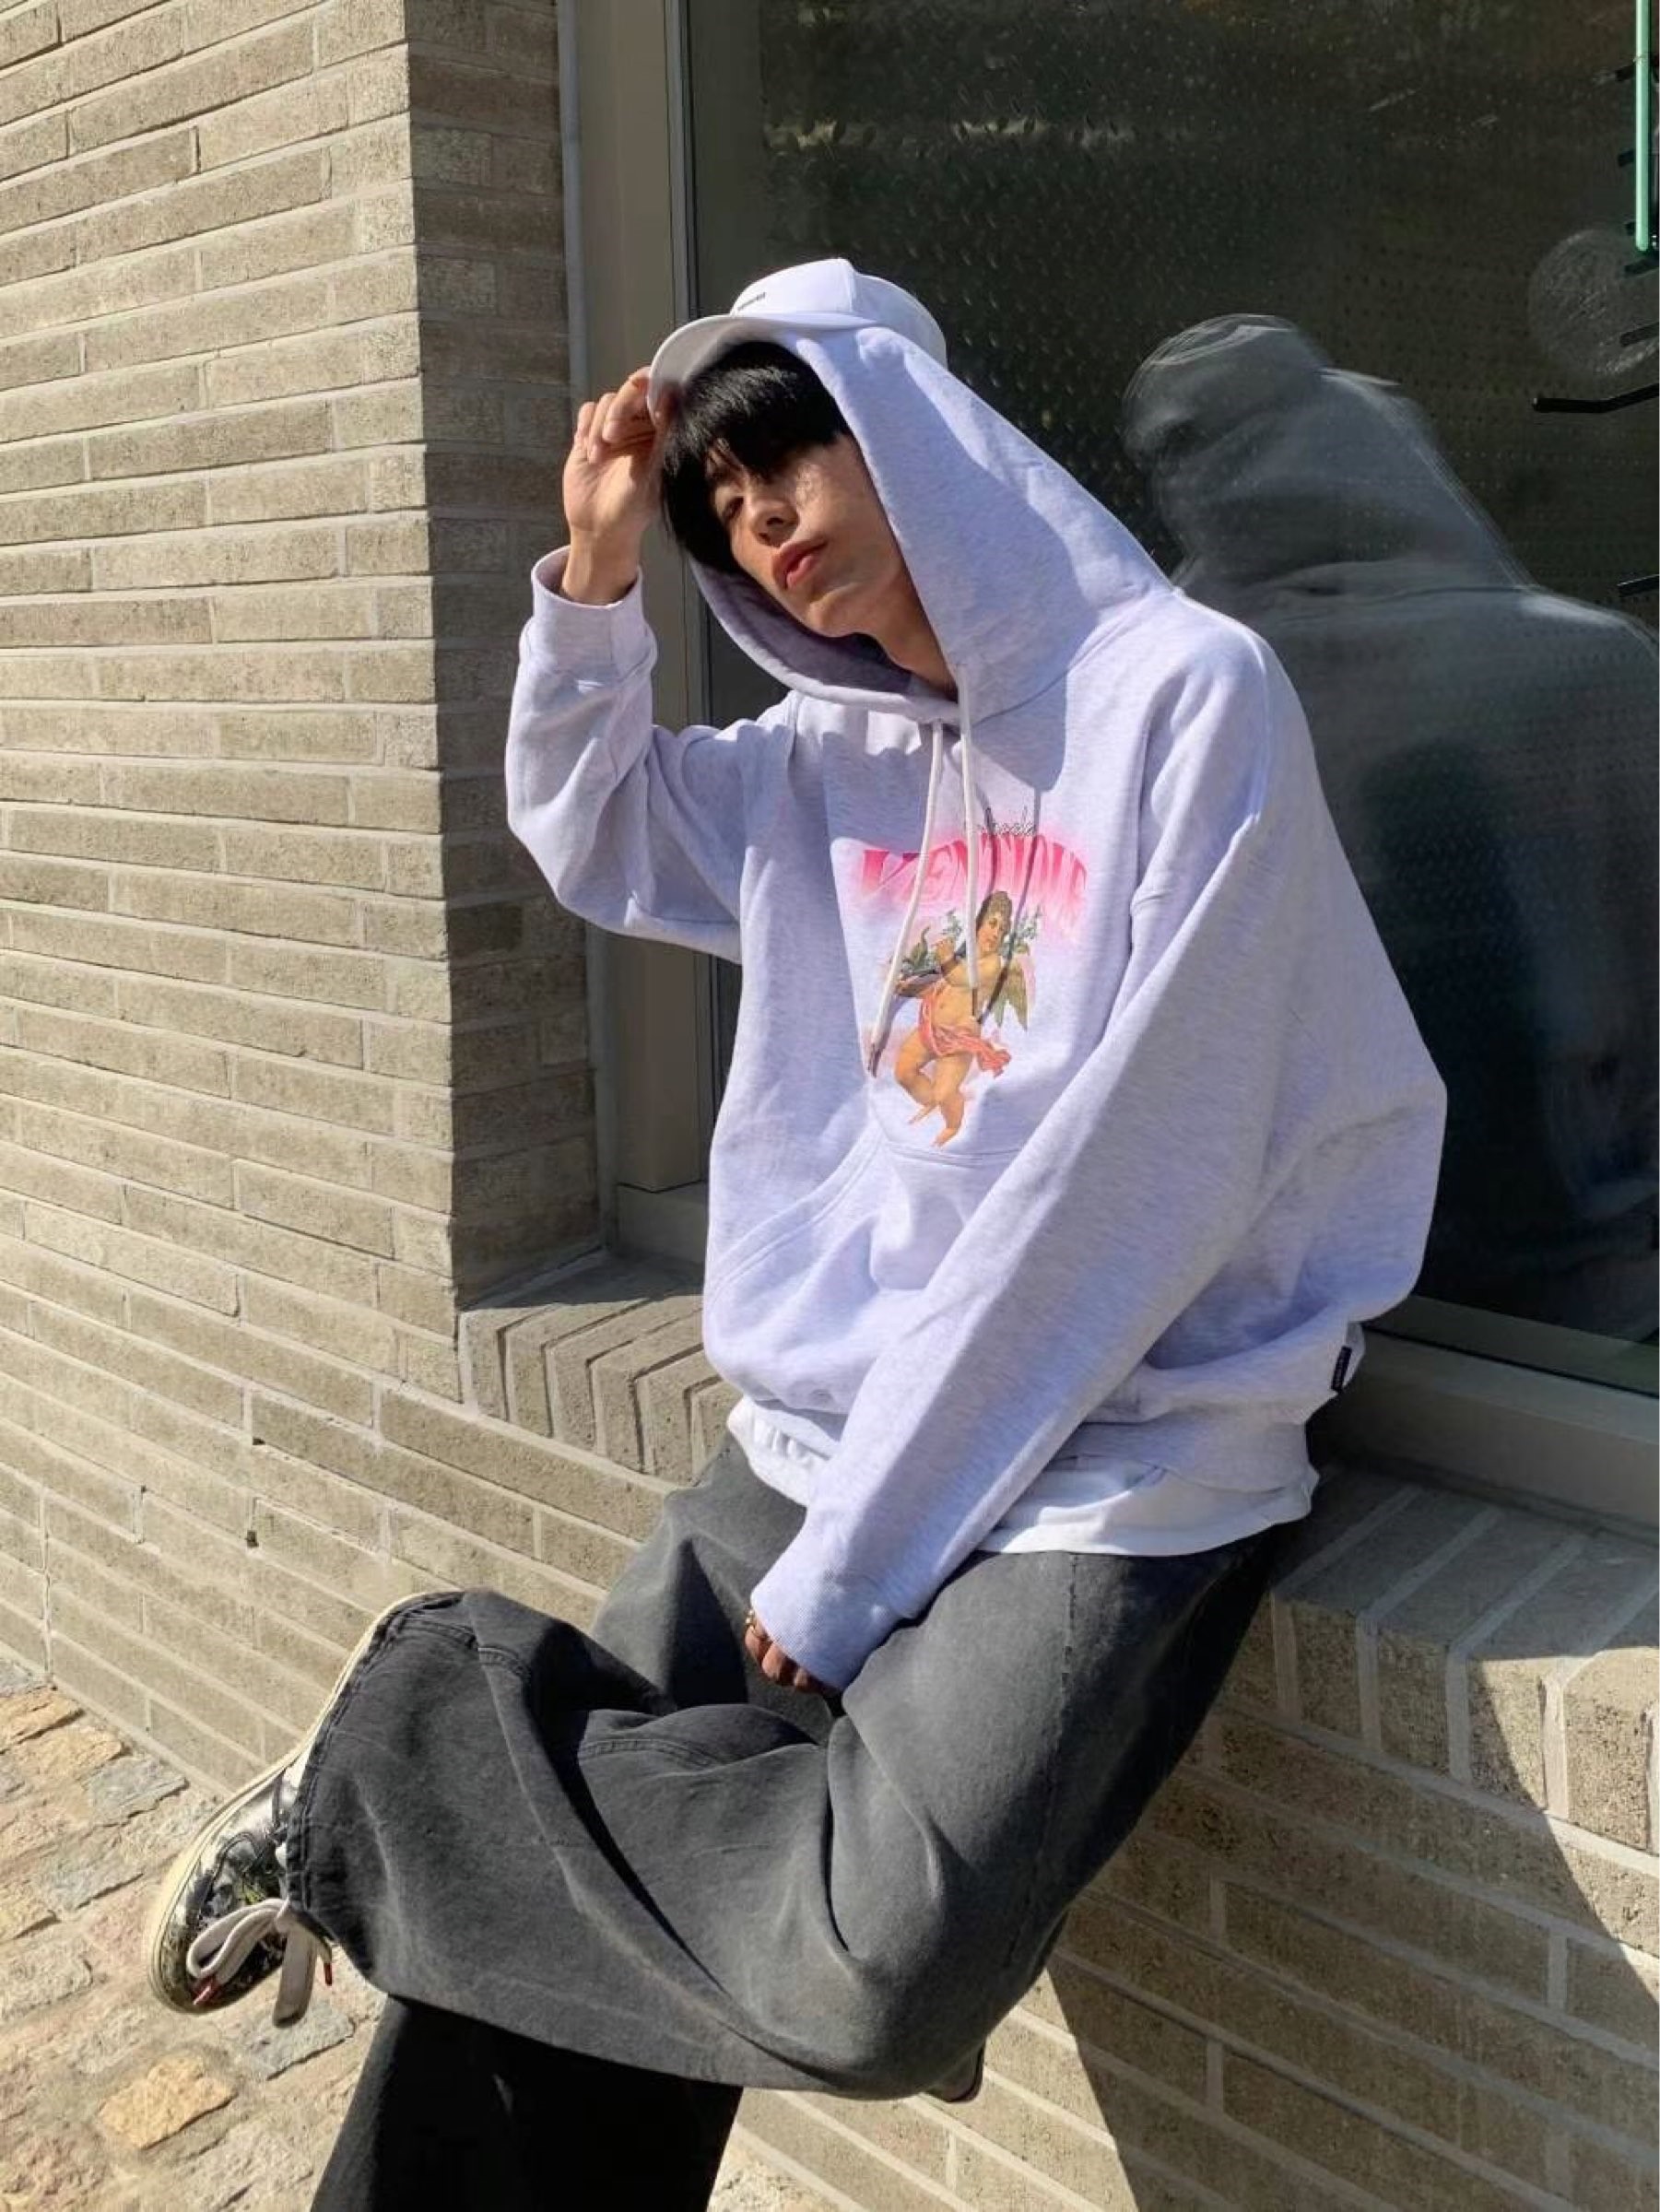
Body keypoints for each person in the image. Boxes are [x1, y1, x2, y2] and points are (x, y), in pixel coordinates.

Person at [141, 260, 1446, 2208]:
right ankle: (408, 1787)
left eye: (787, 455)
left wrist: (861, 1562)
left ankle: (407, 1744)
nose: (756, 515)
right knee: (538, 1948)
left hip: (1118, 1452)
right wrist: (596, 576)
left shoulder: (1180, 698)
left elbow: (1141, 1181)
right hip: (821, 1435)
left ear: (909, 434)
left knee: (869, 1980)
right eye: (717, 501)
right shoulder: (818, 764)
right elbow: (590, 828)